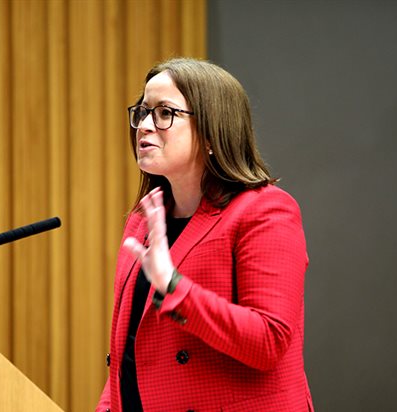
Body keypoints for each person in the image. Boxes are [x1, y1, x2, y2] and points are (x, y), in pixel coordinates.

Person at [96, 58, 313, 411]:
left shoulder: (265, 211)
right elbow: (129, 351)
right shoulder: (143, 220)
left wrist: (174, 287)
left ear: (212, 133)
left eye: (165, 113)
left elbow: (268, 340)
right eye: (143, 111)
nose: (145, 125)